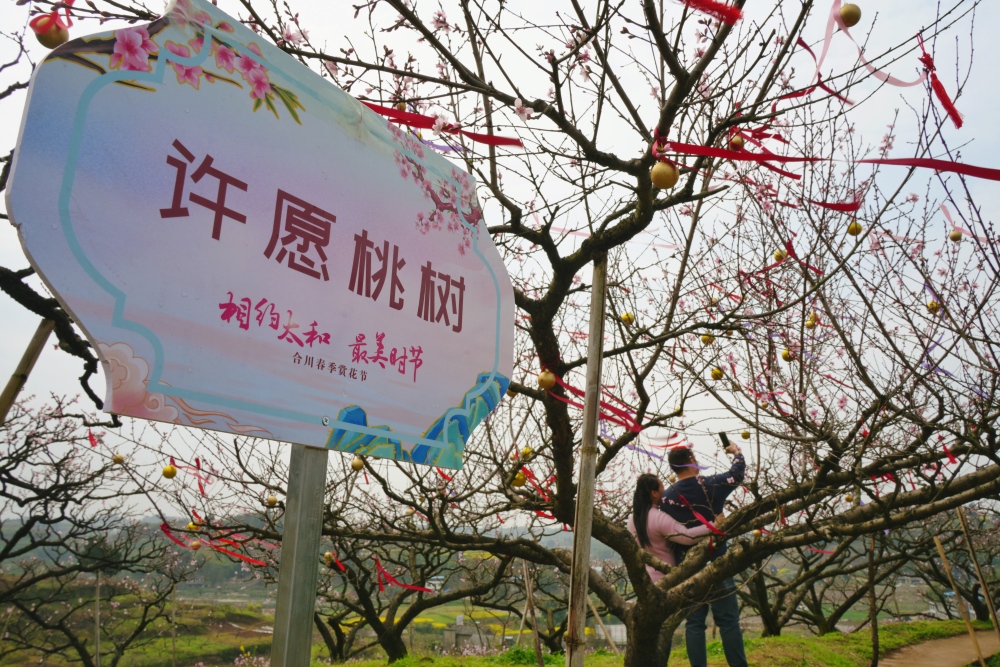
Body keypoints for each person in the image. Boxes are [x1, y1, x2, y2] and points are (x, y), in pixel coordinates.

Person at [660, 441, 747, 667]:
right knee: (728, 621)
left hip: (687, 567)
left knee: (694, 623)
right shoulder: (711, 484)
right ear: (691, 461)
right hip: (717, 561)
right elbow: (736, 474)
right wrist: (736, 452)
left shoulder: (667, 497)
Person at [627, 473, 714, 667]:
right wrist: (714, 526)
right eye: (662, 487)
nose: (665, 490)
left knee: (650, 636)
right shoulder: (658, 517)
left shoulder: (632, 520)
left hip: (644, 583)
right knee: (663, 635)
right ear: (654, 493)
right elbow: (688, 536)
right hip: (666, 583)